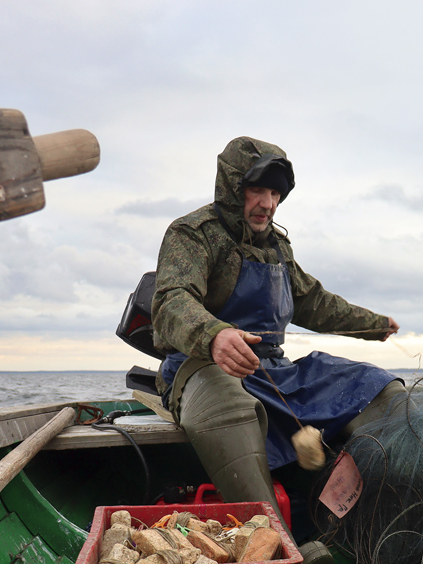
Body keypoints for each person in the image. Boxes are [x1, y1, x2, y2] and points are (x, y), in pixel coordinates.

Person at [151, 137, 403, 532]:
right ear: (233, 189)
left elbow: (313, 302)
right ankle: (273, 541)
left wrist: (374, 324)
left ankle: (411, 495)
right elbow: (170, 301)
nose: (267, 203)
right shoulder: (193, 233)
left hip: (272, 371)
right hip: (200, 368)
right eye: (257, 190)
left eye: (275, 193)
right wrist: (215, 335)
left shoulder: (279, 248)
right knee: (228, 400)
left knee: (376, 385)